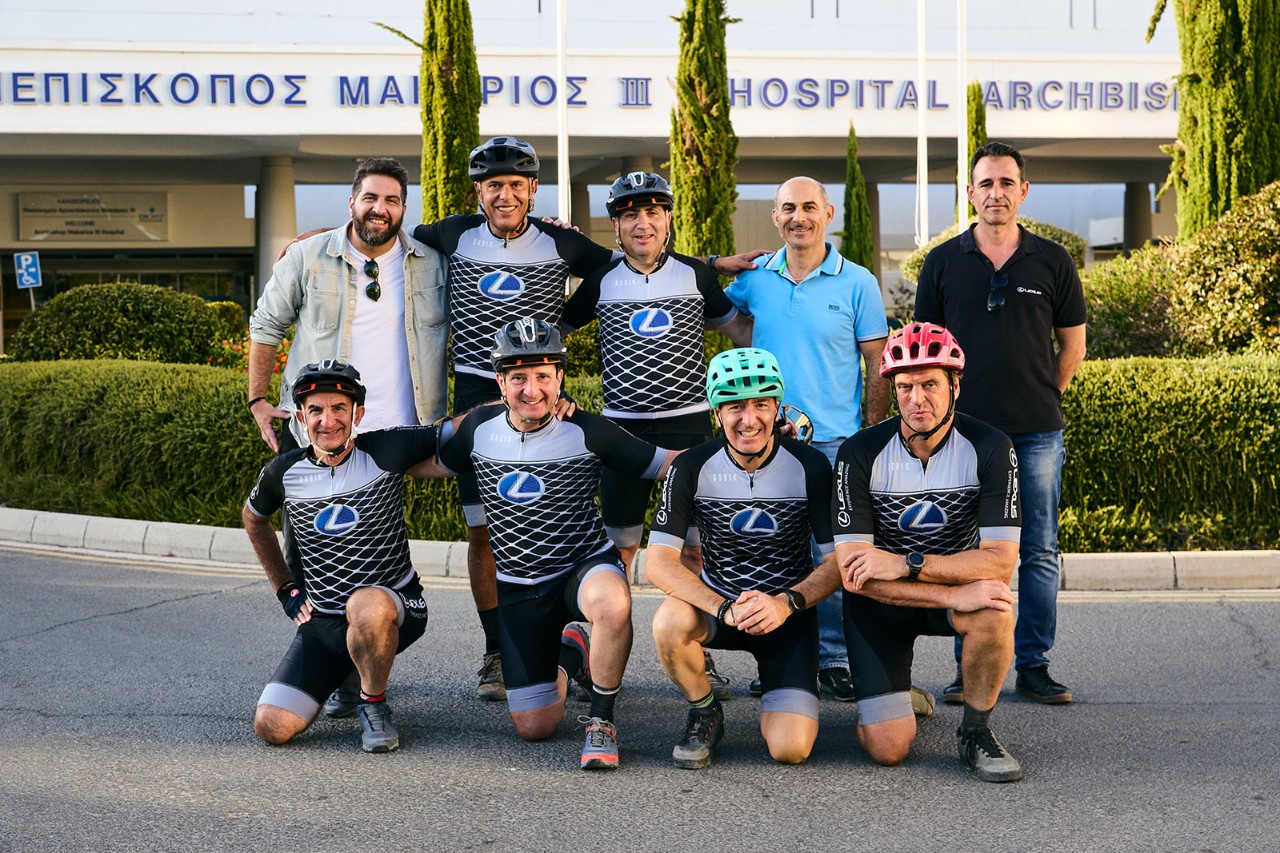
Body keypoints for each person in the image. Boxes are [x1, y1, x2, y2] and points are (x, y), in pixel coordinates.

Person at [412, 139, 757, 702]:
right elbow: (386, 237)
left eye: (516, 185)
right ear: (478, 191)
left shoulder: (579, 249)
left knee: (693, 547)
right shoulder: (452, 234)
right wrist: (317, 239)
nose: (505, 194)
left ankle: (692, 652)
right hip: (481, 397)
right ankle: (503, 650)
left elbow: (730, 322)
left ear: (533, 191)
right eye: (493, 185)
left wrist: (716, 267)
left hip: (679, 424)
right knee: (494, 535)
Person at [246, 156, 448, 720]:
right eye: (369, 198)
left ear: (404, 210)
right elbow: (266, 325)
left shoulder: (431, 262)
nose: (378, 209)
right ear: (352, 202)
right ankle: (336, 663)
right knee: (310, 551)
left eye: (390, 200)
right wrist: (259, 400)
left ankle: (375, 660)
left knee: (380, 549)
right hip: (321, 423)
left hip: (401, 432)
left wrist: (557, 230)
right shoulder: (311, 255)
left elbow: (491, 252)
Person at [429, 317, 678, 770]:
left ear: (560, 378)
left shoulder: (586, 429)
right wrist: (352, 452)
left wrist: (753, 445)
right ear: (499, 381)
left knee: (611, 602)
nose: (532, 389)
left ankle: (601, 721)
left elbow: (667, 465)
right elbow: (427, 461)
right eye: (518, 377)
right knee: (534, 726)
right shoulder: (478, 428)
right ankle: (571, 652)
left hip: (582, 568)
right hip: (519, 588)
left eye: (544, 376)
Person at [560, 171, 752, 700]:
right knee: (619, 552)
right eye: (629, 215)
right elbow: (554, 335)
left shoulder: (695, 275)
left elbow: (743, 330)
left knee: (693, 552)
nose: (642, 223)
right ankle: (602, 661)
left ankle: (699, 655)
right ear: (615, 225)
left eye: (653, 212)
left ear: (668, 219)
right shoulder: (600, 279)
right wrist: (548, 390)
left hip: (690, 430)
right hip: (622, 435)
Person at [914, 141, 1087, 706]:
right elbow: (926, 354)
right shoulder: (941, 262)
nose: (996, 193)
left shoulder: (1053, 260)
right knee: (961, 545)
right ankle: (970, 663)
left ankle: (1033, 664)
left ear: (1023, 191)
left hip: (1037, 430)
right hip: (960, 435)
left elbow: (1073, 346)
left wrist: (1040, 396)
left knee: (1037, 549)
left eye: (1007, 183)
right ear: (969, 192)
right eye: (985, 183)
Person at [833, 323, 1023, 782]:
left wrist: (905, 563)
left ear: (955, 385)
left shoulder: (992, 447)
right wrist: (951, 594)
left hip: (938, 586)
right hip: (880, 606)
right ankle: (900, 696)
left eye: (930, 384)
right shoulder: (858, 453)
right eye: (905, 387)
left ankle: (976, 730)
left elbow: (1000, 560)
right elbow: (855, 574)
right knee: (887, 750)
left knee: (995, 608)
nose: (917, 399)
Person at [724, 176, 889, 702]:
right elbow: (708, 302)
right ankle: (782, 654)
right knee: (778, 550)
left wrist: (871, 435)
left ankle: (836, 659)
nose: (799, 217)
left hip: (836, 443)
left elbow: (877, 364)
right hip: (767, 442)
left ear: (829, 213)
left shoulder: (858, 282)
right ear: (775, 218)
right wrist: (717, 261)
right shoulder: (755, 279)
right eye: (789, 208)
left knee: (834, 555)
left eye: (809, 207)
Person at [243, 361, 451, 754]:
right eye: (316, 410)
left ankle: (372, 704)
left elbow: (462, 429)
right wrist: (285, 587)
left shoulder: (385, 450)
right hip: (325, 619)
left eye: (339, 407)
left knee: (366, 605)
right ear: (301, 417)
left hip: (396, 607)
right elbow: (253, 519)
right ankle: (351, 668)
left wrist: (531, 407)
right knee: (272, 726)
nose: (328, 420)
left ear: (358, 412)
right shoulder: (283, 472)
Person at [647, 348, 841, 769]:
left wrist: (786, 603)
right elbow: (657, 563)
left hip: (787, 615)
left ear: (777, 408)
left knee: (790, 750)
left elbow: (838, 563)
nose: (748, 419)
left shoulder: (811, 466)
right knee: (668, 622)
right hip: (721, 607)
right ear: (716, 411)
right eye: (735, 406)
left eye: (760, 404)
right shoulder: (692, 467)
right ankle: (704, 710)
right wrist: (723, 607)